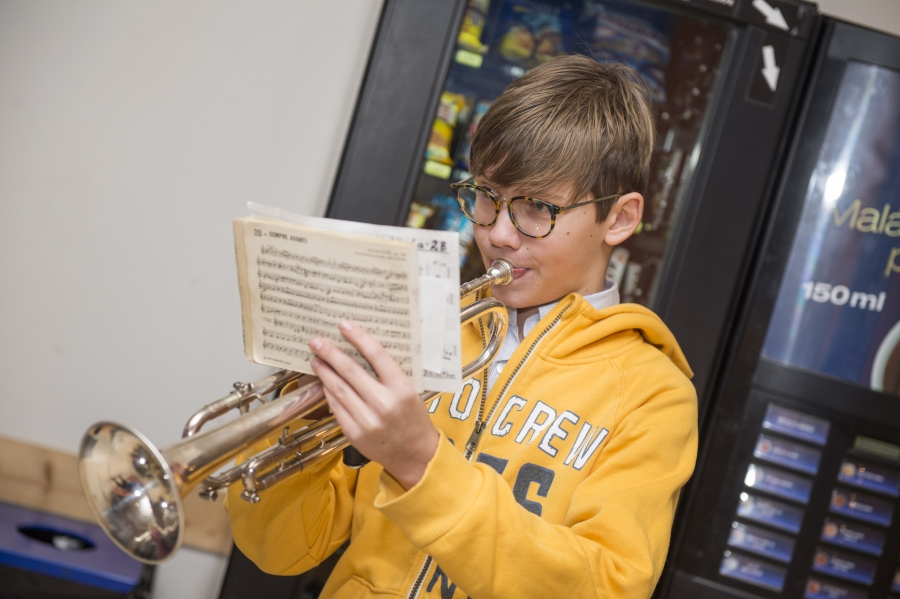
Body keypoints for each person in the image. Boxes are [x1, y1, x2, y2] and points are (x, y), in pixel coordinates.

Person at [225, 54, 698, 599]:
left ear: (619, 218)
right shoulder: (425, 325)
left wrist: (421, 464)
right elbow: (282, 550)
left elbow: (604, 587)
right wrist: (298, 417)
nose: (498, 234)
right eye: (487, 196)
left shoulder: (653, 396)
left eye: (536, 208)